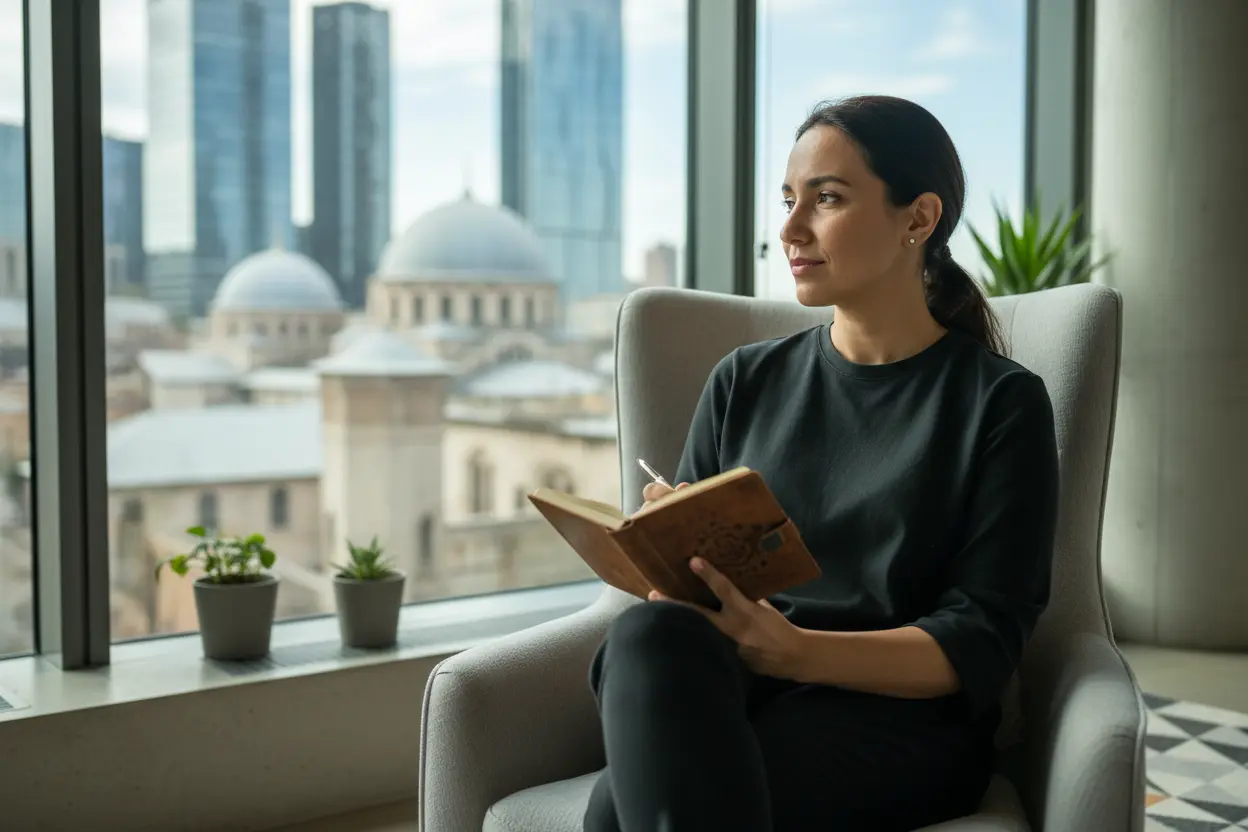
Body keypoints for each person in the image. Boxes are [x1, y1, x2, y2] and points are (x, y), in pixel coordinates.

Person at [582, 95, 1060, 832]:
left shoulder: (1001, 403)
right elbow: (688, 608)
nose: (790, 229)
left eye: (827, 199)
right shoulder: (743, 380)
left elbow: (982, 640)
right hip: (737, 687)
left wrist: (798, 652)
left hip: (897, 720)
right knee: (646, 635)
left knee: (621, 808)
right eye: (788, 201)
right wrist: (673, 563)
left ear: (918, 218)